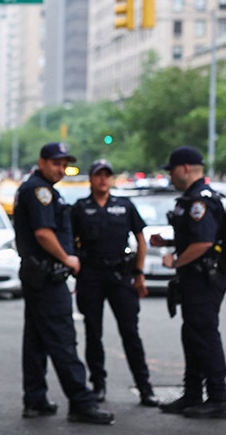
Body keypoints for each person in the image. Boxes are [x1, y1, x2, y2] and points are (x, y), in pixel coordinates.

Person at [13, 142, 114, 424]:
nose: (61, 169)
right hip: (48, 276)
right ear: (42, 162)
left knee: (35, 341)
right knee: (63, 339)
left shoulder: (38, 189)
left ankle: (35, 399)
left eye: (64, 163)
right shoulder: (40, 191)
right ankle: (82, 403)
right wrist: (68, 258)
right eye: (56, 163)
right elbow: (44, 233)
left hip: (39, 276)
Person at [71, 159, 159, 407]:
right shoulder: (80, 208)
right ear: (91, 178)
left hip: (121, 275)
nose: (103, 179)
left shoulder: (124, 205)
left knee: (130, 332)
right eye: (99, 175)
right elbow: (69, 240)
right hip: (91, 275)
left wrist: (139, 272)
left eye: (107, 175)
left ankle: (145, 388)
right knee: (93, 333)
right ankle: (98, 385)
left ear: (111, 179)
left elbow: (141, 238)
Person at [151, 146, 226, 418]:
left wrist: (176, 260)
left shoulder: (200, 201)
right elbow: (199, 236)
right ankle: (193, 393)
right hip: (196, 278)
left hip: (204, 277)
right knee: (192, 335)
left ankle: (219, 396)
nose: (170, 176)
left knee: (204, 335)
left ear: (184, 168)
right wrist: (169, 242)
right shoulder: (193, 198)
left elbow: (204, 243)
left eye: (171, 170)